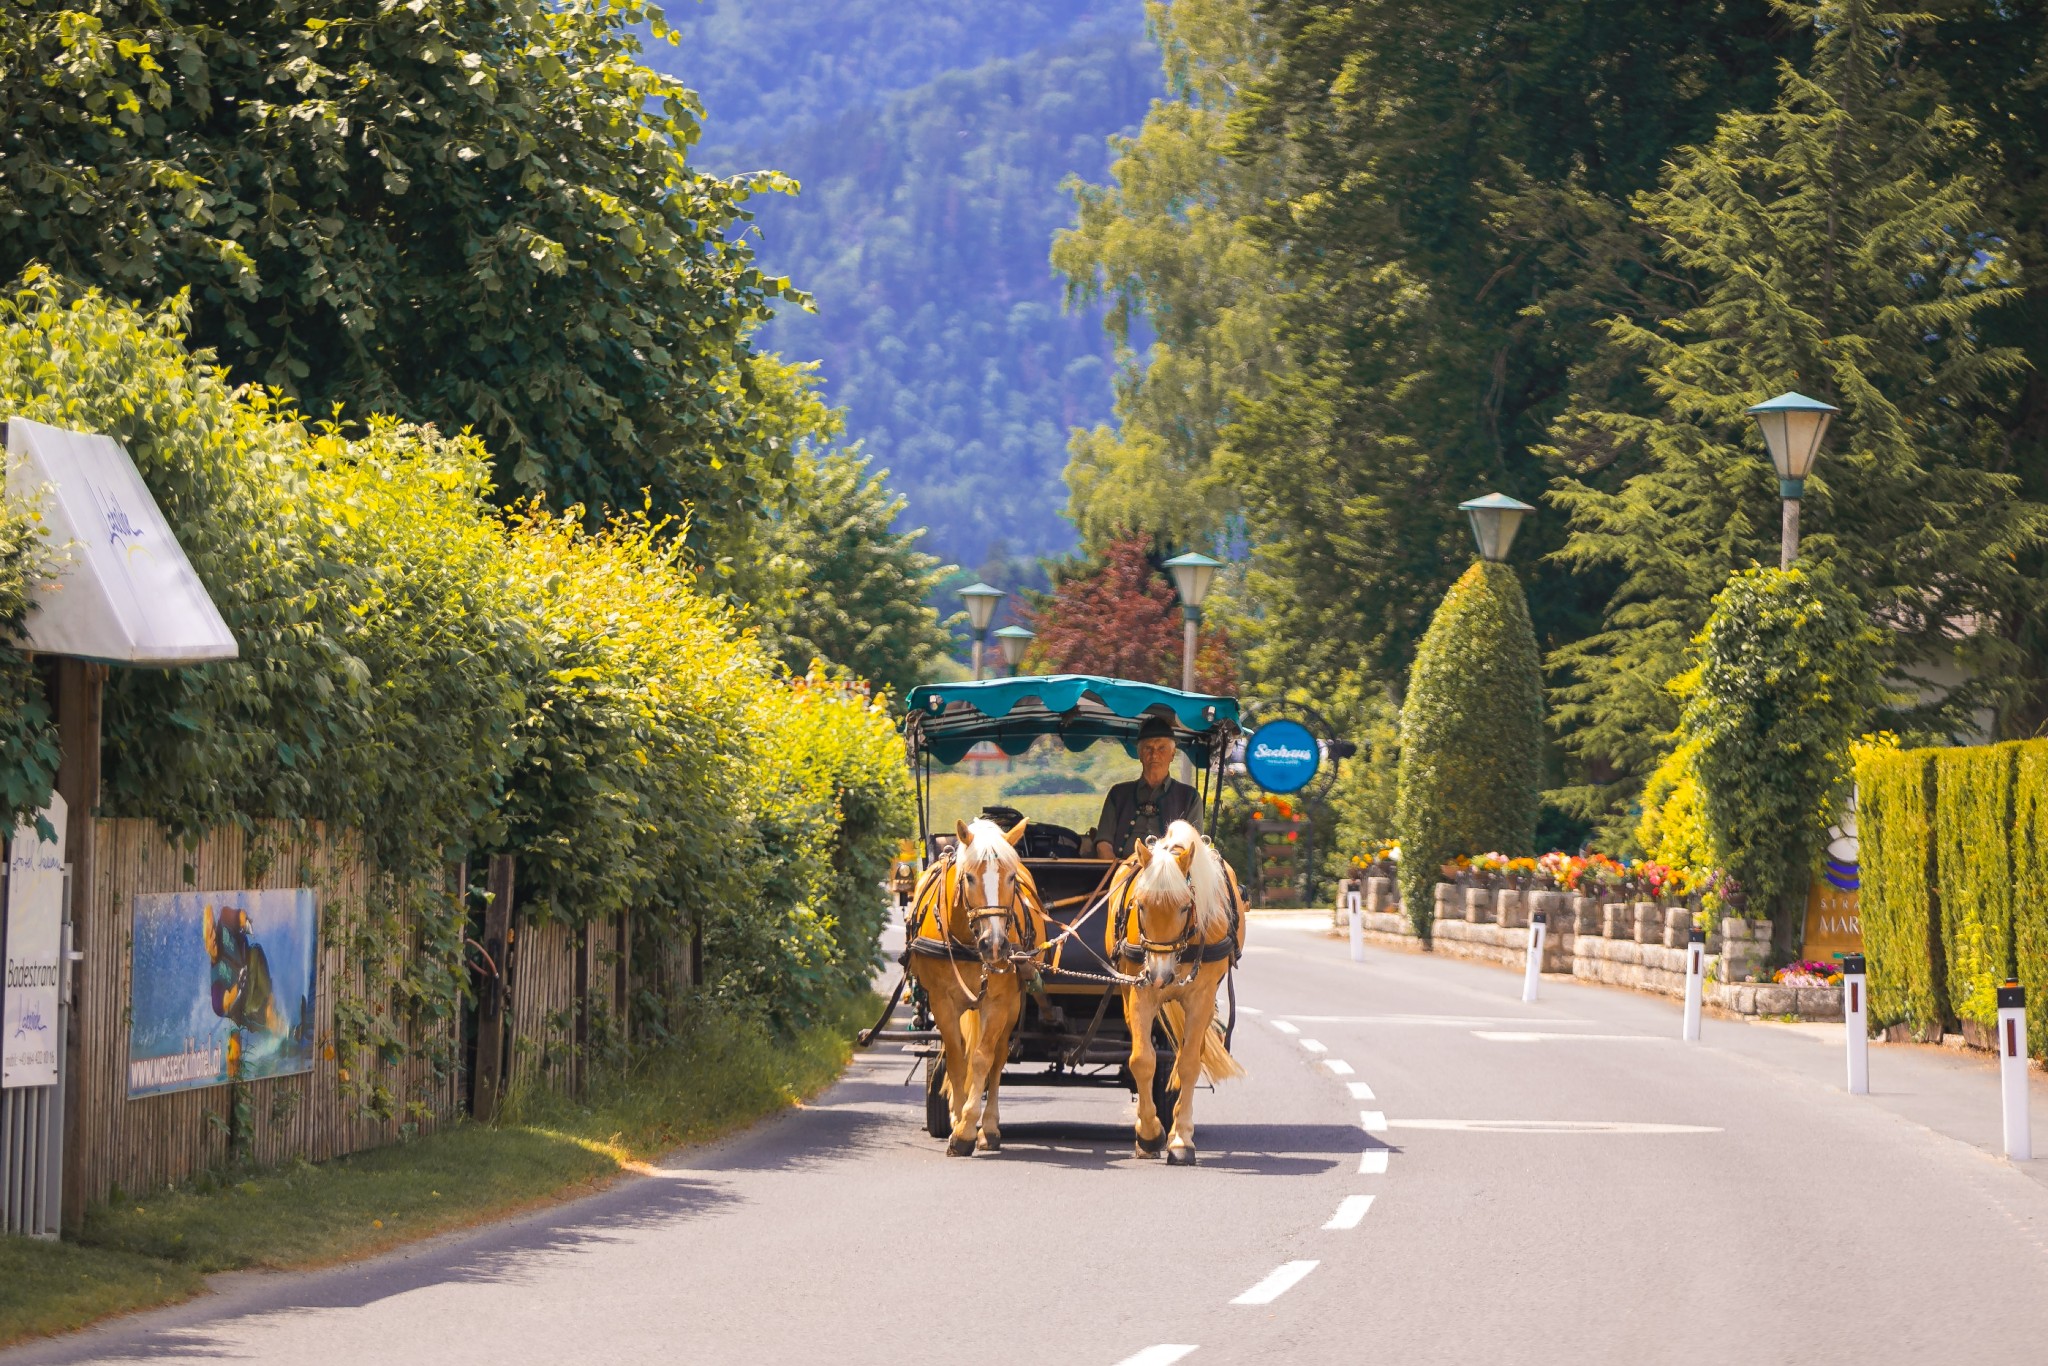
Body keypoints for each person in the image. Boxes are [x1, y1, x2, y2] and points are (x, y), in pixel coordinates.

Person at [1091, 715, 1201, 859]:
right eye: (1148, 748)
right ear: (1139, 753)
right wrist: (1118, 875)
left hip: (1169, 876)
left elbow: (1191, 850)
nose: (1154, 754)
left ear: (1173, 754)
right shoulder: (1118, 794)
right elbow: (1103, 844)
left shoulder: (1189, 797)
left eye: (1161, 748)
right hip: (1121, 872)